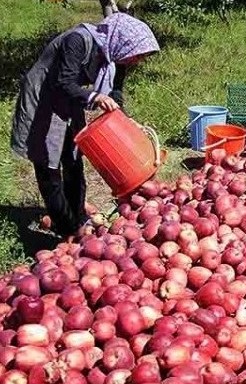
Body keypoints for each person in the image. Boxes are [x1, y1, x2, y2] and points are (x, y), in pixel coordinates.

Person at [11, 13, 159, 240]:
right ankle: (66, 228)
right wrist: (95, 96)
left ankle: (78, 218)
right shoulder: (78, 41)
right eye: (136, 56)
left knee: (73, 158)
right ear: (124, 41)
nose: (134, 61)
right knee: (48, 166)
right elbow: (63, 81)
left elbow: (116, 91)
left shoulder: (115, 53)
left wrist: (121, 117)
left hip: (69, 99)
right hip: (45, 98)